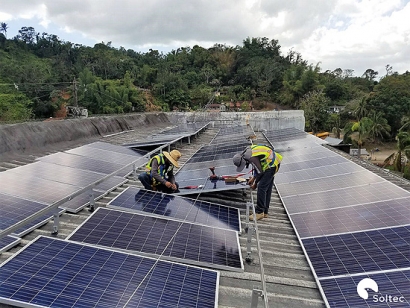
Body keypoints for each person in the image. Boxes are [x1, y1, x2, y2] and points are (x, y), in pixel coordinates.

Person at [233, 144, 282, 221]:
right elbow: (258, 167)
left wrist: (255, 183)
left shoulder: (250, 157)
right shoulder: (247, 152)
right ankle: (265, 211)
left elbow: (260, 172)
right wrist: (253, 178)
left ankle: (259, 212)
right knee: (267, 188)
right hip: (273, 162)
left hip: (271, 165)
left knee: (261, 187)